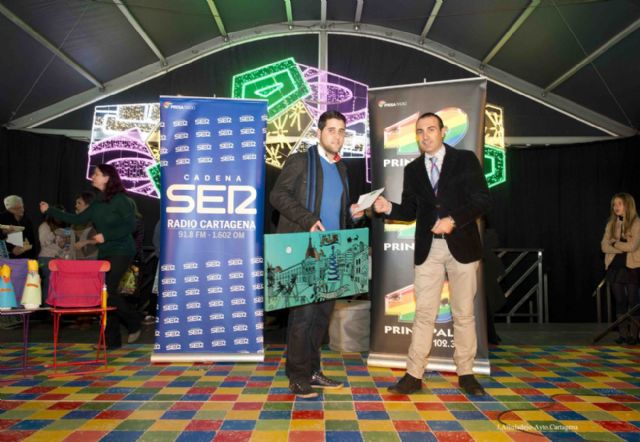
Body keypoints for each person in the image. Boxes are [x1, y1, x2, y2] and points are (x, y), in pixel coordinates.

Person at [373, 112, 491, 396]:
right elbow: (409, 211)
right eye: (419, 131)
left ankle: (466, 373)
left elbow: (482, 200)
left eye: (431, 129)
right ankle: (414, 374)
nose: (425, 136)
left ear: (443, 131)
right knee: (424, 313)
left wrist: (453, 219)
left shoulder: (465, 160)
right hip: (429, 249)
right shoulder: (413, 169)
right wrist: (388, 208)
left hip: (463, 245)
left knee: (463, 313)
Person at [270, 110, 364, 398]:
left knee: (321, 317)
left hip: (333, 250)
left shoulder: (341, 168)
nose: (337, 136)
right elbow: (278, 195)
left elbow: (337, 212)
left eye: (342, 131)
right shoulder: (301, 161)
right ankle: (297, 376)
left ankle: (312, 370)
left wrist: (353, 214)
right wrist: (308, 219)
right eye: (331, 130)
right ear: (319, 133)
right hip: (304, 248)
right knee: (303, 317)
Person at [40, 164, 142, 349]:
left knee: (109, 291)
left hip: (122, 249)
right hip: (105, 251)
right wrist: (50, 210)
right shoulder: (97, 203)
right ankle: (111, 341)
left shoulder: (121, 200)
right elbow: (77, 219)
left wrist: (106, 235)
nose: (92, 176)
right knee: (105, 293)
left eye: (96, 174)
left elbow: (131, 225)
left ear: (107, 178)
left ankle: (134, 322)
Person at [601, 193, 640, 345]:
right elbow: (604, 246)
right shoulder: (611, 223)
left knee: (633, 301)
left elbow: (632, 246)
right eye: (614, 204)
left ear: (628, 205)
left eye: (619, 204)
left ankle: (634, 335)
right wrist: (618, 247)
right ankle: (623, 334)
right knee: (620, 301)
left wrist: (614, 243)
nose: (616, 207)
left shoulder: (637, 223)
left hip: (632, 266)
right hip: (615, 267)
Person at [72, 191, 98, 260]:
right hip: (77, 257)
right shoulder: (75, 222)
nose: (76, 206)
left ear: (88, 206)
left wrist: (85, 242)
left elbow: (101, 239)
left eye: (79, 203)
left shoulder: (96, 221)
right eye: (76, 203)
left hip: (91, 257)